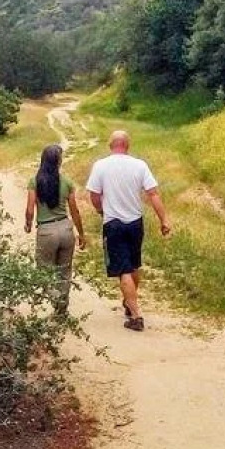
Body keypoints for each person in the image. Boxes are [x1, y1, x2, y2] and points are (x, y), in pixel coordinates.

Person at [86, 130, 171, 331]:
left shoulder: (100, 166)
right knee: (134, 265)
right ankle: (129, 300)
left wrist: (100, 209)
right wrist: (164, 219)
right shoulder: (140, 165)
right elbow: (153, 194)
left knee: (123, 269)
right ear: (128, 145)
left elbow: (94, 194)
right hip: (135, 222)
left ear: (110, 145)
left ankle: (135, 316)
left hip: (113, 222)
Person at [24, 144, 86, 316]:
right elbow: (75, 210)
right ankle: (62, 310)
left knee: (43, 272)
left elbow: (30, 208)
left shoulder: (34, 181)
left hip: (46, 231)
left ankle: (56, 298)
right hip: (66, 229)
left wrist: (28, 223)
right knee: (64, 271)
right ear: (59, 162)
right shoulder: (67, 182)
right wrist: (81, 233)